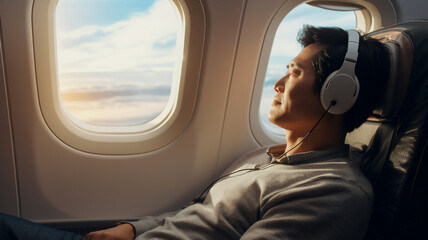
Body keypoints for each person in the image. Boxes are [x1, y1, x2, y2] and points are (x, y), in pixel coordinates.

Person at [0, 25, 390, 240]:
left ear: (337, 95)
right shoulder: (262, 157)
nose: (278, 83)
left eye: (296, 72)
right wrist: (131, 227)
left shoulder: (334, 192)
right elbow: (196, 212)